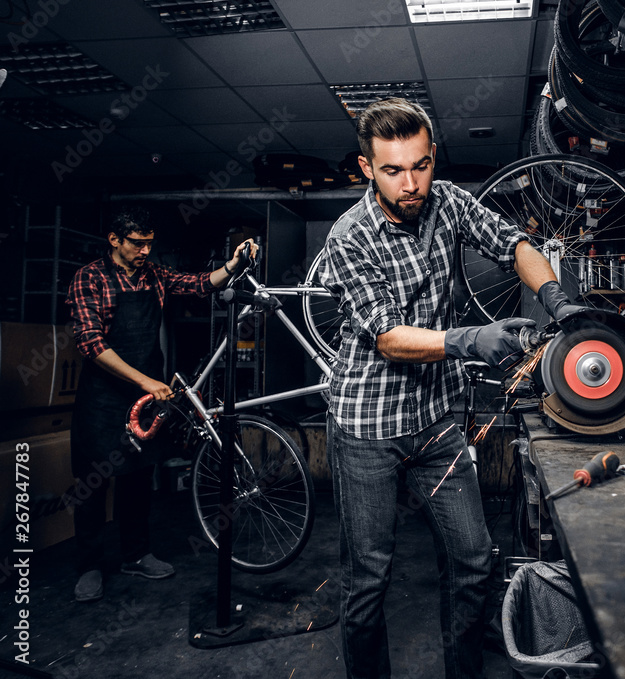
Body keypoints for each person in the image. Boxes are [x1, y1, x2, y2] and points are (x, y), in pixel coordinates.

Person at [318, 97, 584, 679]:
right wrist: (469, 340)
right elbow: (387, 337)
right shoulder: (349, 236)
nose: (410, 183)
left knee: (472, 559)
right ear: (367, 169)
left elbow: (514, 245)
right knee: (369, 580)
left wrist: (557, 300)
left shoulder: (451, 202)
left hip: (435, 423)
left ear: (433, 156)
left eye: (420, 165)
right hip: (367, 430)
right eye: (392, 170)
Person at [66, 207, 258, 603]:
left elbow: (199, 283)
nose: (146, 251)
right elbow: (91, 343)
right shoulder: (90, 278)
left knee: (137, 476)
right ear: (115, 240)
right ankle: (89, 566)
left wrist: (233, 263)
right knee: (92, 483)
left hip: (145, 397)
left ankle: (135, 555)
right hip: (103, 400)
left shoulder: (153, 275)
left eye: (150, 243)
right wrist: (145, 381)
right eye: (138, 243)